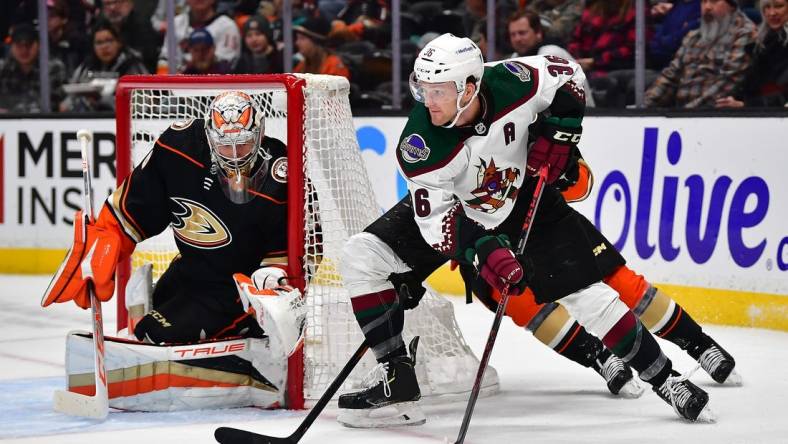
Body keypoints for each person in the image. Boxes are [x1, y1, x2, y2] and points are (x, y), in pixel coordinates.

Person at [337, 33, 714, 428]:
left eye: (438, 91)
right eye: (423, 89)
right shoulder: (421, 145)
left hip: (528, 198)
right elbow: (438, 226)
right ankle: (396, 379)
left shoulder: (511, 80)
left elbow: (569, 78)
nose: (427, 101)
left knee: (589, 294)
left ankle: (667, 380)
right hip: (462, 214)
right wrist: (482, 250)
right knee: (362, 255)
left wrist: (561, 134)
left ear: (470, 86)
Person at [42, 91, 290, 345]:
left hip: (239, 291)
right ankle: (148, 308)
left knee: (154, 332)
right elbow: (137, 203)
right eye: (225, 145)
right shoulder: (180, 148)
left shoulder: (283, 174)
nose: (235, 155)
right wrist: (108, 233)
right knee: (162, 301)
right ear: (209, 136)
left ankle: (240, 329)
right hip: (193, 269)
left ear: (259, 133)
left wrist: (272, 278)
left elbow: (303, 246)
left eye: (244, 143)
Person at [645, 0, 757, 108]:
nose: (707, 7)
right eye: (704, 1)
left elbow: (728, 82)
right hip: (681, 112)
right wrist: (644, 108)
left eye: (714, 1)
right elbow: (671, 76)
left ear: (732, 6)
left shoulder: (744, 34)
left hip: (714, 114)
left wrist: (687, 113)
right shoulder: (695, 35)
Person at [507, 10, 596, 107]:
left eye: (522, 33)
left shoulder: (551, 52)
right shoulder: (514, 59)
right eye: (513, 34)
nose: (517, 39)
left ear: (538, 33)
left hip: (586, 117)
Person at [60, 19, 148, 112]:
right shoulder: (86, 67)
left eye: (109, 40)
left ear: (119, 43)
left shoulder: (132, 66)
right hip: (89, 121)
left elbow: (144, 104)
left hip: (123, 121)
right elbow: (66, 103)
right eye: (99, 43)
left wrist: (103, 100)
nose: (104, 47)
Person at [716, 0, 788, 107]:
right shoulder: (763, 41)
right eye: (767, 7)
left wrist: (745, 105)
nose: (772, 13)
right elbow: (751, 79)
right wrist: (733, 97)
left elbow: (782, 92)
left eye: (779, 6)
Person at [157, 0, 241, 74]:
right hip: (179, 86)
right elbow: (165, 59)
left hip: (217, 87)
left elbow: (227, 65)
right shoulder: (176, 23)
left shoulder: (227, 26)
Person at [0, 23, 67, 113]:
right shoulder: (3, 69)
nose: (24, 50)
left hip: (46, 122)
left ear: (38, 45)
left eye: (29, 45)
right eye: (19, 45)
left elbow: (58, 102)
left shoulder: (53, 68)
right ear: (11, 46)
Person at [99, 0, 160, 73]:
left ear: (130, 3)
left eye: (117, 2)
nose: (112, 7)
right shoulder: (100, 25)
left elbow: (148, 56)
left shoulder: (142, 26)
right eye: (107, 4)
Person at [649, 0, 701, 70]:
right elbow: (661, 33)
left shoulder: (700, 7)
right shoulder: (678, 5)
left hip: (676, 65)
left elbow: (676, 40)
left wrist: (662, 42)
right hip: (657, 58)